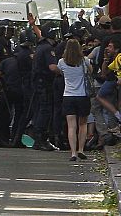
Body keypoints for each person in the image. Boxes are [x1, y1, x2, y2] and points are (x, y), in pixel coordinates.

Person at [58, 39, 92, 161]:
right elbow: (91, 72)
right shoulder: (85, 61)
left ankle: (73, 152)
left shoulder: (61, 62)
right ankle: (81, 149)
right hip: (82, 95)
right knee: (82, 124)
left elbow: (61, 74)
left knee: (71, 126)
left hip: (68, 95)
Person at [32, 23, 61, 151]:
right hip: (45, 83)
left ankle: (39, 139)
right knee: (45, 111)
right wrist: (65, 72)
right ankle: (41, 139)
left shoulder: (40, 46)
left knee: (41, 110)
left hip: (38, 83)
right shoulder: (48, 48)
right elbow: (52, 67)